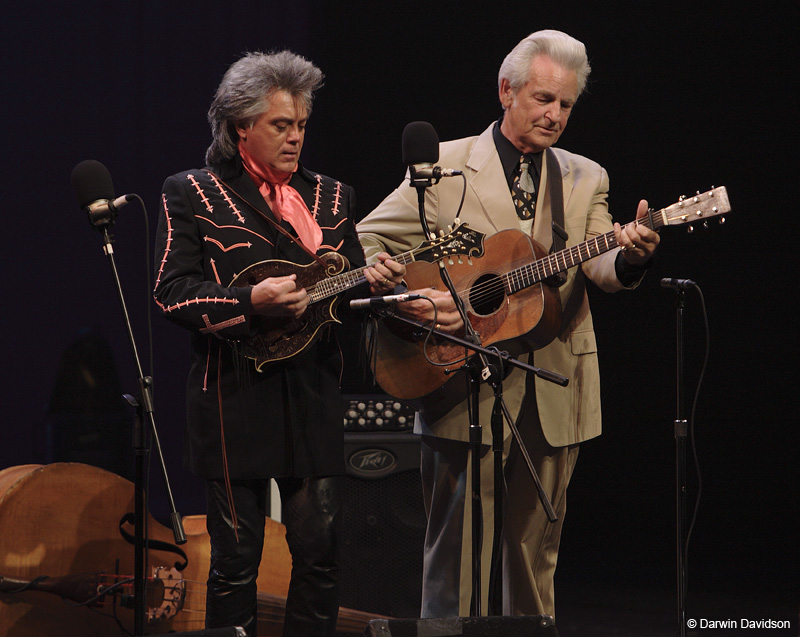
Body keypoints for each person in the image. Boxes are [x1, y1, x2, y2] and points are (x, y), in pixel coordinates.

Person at [356, 30, 659, 620]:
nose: (554, 115)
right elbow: (370, 238)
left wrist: (631, 255)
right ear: (506, 91)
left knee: (534, 554)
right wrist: (404, 298)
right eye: (543, 99)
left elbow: (600, 266)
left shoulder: (584, 177)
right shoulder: (443, 165)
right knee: (455, 551)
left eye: (565, 105)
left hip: (553, 382)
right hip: (454, 378)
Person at [153, 50, 404, 636]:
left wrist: (379, 288)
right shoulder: (193, 192)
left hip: (312, 392)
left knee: (319, 555)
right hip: (232, 398)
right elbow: (171, 291)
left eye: (302, 126)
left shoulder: (332, 197)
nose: (295, 139)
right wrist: (250, 302)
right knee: (236, 561)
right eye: (280, 126)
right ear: (241, 125)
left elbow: (348, 303)